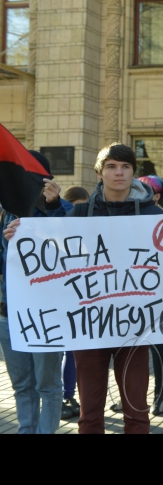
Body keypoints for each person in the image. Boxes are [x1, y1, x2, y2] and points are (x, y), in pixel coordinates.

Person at [4, 144, 163, 435]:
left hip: (134, 330)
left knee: (137, 414)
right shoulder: (82, 214)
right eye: (111, 167)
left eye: (125, 166)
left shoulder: (154, 214)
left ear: (134, 172)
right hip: (90, 331)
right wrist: (19, 238)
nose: (118, 173)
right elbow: (51, 247)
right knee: (90, 416)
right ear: (100, 173)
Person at [0, 152, 69, 434]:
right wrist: (7, 245)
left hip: (48, 316)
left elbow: (76, 253)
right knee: (22, 384)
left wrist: (52, 209)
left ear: (46, 180)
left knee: (48, 385)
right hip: (8, 315)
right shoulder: (6, 214)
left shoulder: (64, 210)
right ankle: (26, 429)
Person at [139, 175, 163, 416]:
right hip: (126, 295)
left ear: (156, 196)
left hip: (155, 295)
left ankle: (159, 395)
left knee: (157, 345)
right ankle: (126, 395)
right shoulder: (127, 215)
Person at [59, 186, 90, 422]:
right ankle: (64, 396)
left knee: (73, 353)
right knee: (66, 352)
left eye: (85, 206)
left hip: (82, 300)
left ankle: (69, 395)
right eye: (76, 206)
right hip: (63, 299)